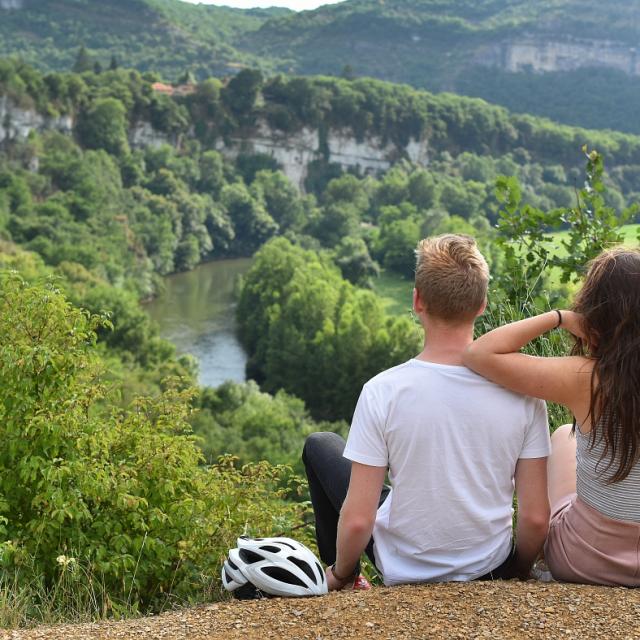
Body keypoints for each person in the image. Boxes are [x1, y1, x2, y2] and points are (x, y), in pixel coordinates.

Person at [302, 234, 551, 591]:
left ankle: (350, 580)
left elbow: (358, 521)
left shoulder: (382, 392)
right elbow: (535, 518)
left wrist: (341, 573)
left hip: (406, 570)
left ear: (417, 300)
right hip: (489, 567)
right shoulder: (525, 393)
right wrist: (515, 572)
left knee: (320, 444)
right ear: (481, 305)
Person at [463, 247, 640, 586]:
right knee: (565, 435)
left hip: (584, 561)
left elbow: (478, 354)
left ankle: (542, 555)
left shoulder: (587, 378)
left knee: (563, 435)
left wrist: (558, 317)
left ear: (594, 313)